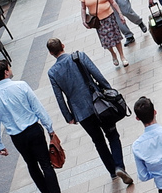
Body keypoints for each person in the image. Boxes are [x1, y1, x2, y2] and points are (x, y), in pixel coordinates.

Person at [0, 61, 71, 193]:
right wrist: (49, 128)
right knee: (46, 164)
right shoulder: (21, 86)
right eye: (9, 68)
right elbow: (37, 108)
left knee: (32, 165)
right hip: (33, 130)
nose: (11, 69)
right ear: (6, 72)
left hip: (17, 137)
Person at [46, 38, 134, 184]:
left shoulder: (52, 72)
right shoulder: (78, 56)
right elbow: (97, 74)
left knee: (98, 141)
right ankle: (119, 165)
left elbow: (59, 97)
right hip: (99, 103)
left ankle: (112, 171)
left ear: (51, 53)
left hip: (81, 112)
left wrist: (68, 116)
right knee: (112, 134)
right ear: (63, 45)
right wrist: (109, 90)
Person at [80, 0, 130, 67]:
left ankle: (122, 56)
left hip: (109, 17)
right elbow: (83, 8)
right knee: (106, 41)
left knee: (116, 38)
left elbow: (113, 2)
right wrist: (84, 20)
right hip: (98, 21)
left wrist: (120, 14)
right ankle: (113, 54)